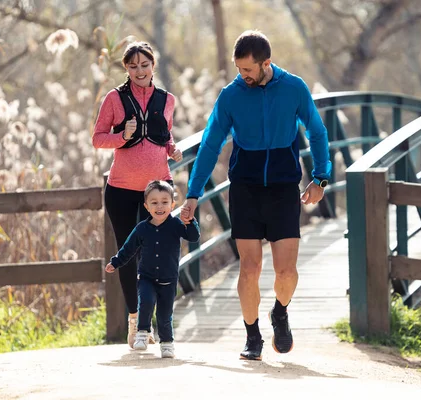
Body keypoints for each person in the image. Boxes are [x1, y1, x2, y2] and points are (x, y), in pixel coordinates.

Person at [180, 30, 332, 361]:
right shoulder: (231, 95)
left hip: (282, 188)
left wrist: (320, 177)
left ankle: (280, 311)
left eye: (247, 70)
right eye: (239, 70)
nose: (242, 76)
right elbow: (209, 145)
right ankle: (252, 337)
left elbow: (317, 132)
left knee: (286, 272)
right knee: (249, 267)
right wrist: (193, 193)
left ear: (266, 63)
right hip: (246, 188)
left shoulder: (294, 88)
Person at [93, 41, 183, 348]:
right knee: (129, 255)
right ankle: (135, 322)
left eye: (144, 65)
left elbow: (164, 134)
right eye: (133, 66)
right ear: (126, 68)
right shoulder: (115, 99)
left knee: (156, 257)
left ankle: (151, 323)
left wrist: (173, 149)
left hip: (157, 191)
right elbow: (98, 139)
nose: (139, 71)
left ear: (153, 65)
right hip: (121, 190)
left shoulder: (167, 99)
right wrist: (122, 136)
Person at [105, 180, 200, 358]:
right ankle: (142, 333)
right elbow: (128, 248)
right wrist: (116, 262)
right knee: (146, 302)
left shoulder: (176, 226)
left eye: (165, 202)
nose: (159, 207)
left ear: (172, 205)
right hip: (146, 278)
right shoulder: (142, 229)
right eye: (154, 202)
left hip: (168, 280)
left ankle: (167, 343)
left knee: (165, 315)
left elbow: (193, 237)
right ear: (146, 206)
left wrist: (190, 221)